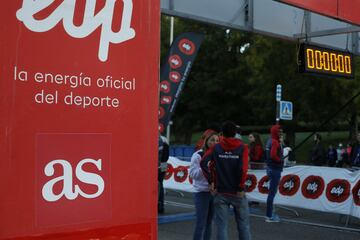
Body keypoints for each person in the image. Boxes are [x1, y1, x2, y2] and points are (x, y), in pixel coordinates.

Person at [201, 121, 251, 240]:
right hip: (237, 192)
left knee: (222, 226)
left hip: (220, 191)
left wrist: (211, 181)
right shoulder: (242, 147)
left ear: (222, 133)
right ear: (235, 133)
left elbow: (203, 162)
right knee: (243, 226)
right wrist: (240, 187)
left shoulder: (216, 147)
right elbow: (243, 169)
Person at [190, 129, 219, 240]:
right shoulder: (197, 155)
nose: (215, 143)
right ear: (206, 141)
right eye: (212, 140)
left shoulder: (217, 155)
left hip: (214, 192)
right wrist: (205, 167)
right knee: (201, 222)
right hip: (201, 192)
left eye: (217, 140)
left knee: (209, 222)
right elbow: (193, 174)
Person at [264, 124, 283, 222]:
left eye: (281, 131)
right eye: (279, 131)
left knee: (271, 193)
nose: (281, 133)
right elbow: (273, 156)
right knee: (272, 193)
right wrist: (280, 160)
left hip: (270, 168)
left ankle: (269, 214)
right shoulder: (275, 142)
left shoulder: (269, 140)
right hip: (275, 169)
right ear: (275, 131)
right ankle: (269, 216)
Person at [158, 135, 169, 214]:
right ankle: (160, 206)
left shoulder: (163, 140)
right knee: (160, 184)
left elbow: (166, 155)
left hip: (161, 164)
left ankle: (160, 205)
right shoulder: (164, 139)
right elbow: (166, 155)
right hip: (163, 164)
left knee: (159, 184)